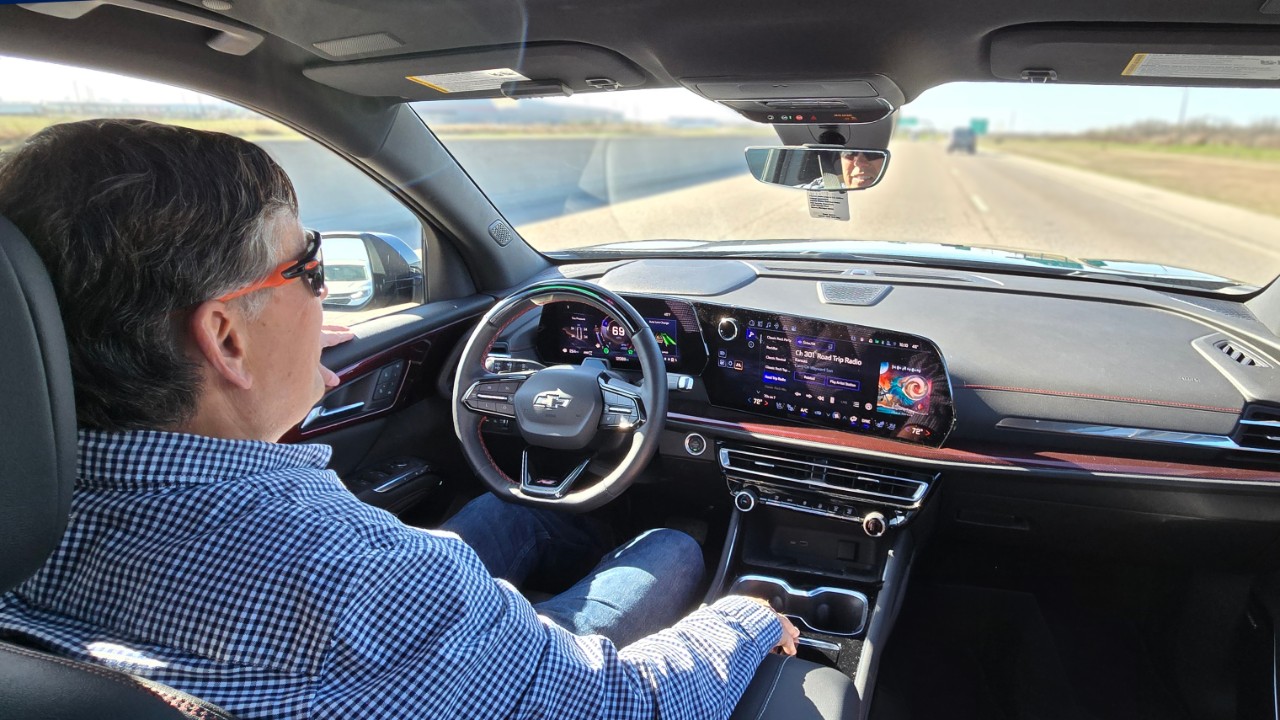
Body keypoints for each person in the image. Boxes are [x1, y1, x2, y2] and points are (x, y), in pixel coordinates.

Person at [0, 119, 798, 719]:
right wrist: (747, 621)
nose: (324, 298)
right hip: (506, 674)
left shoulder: (24, 517)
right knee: (671, 547)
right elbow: (628, 703)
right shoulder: (369, 588)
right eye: (309, 267)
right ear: (226, 337)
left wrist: (284, 359)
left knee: (513, 513)